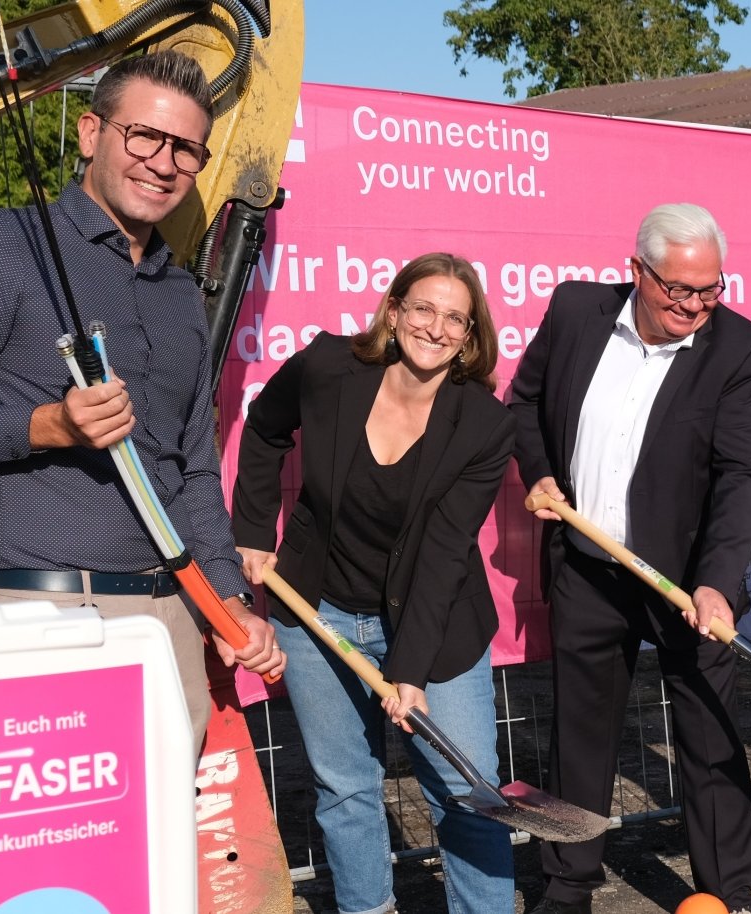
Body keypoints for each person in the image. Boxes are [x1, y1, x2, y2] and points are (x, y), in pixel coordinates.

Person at [0, 50, 283, 751]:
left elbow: (192, 469)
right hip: (39, 611)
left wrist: (229, 603)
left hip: (169, 623)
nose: (163, 163)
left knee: (168, 823)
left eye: (186, 150)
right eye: (144, 136)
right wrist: (47, 426)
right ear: (92, 133)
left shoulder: (180, 293)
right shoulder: (1, 243)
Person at [231, 253, 515, 914]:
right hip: (318, 612)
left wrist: (409, 671)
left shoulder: (484, 424)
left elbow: (444, 552)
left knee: (468, 792)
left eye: (455, 319)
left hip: (436, 625)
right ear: (393, 310)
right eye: (423, 308)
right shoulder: (330, 367)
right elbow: (265, 428)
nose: (436, 328)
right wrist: (252, 530)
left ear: (470, 337)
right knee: (346, 790)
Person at [509, 204, 751, 914]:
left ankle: (729, 890)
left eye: (710, 290)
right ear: (637, 271)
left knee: (710, 732)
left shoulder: (743, 351)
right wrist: (539, 472)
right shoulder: (576, 311)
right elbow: (525, 402)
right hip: (587, 567)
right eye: (677, 289)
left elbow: (742, 477)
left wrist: (717, 582)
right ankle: (566, 887)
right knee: (577, 735)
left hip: (687, 579)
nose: (694, 305)